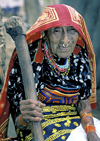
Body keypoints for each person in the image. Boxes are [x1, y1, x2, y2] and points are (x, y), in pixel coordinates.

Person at [2, 4, 100, 141]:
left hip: (74, 119)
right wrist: (25, 118)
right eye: (57, 31)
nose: (65, 40)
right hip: (40, 124)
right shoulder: (29, 59)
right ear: (44, 33)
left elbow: (83, 103)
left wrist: (90, 130)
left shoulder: (79, 57)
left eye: (72, 31)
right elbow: (19, 121)